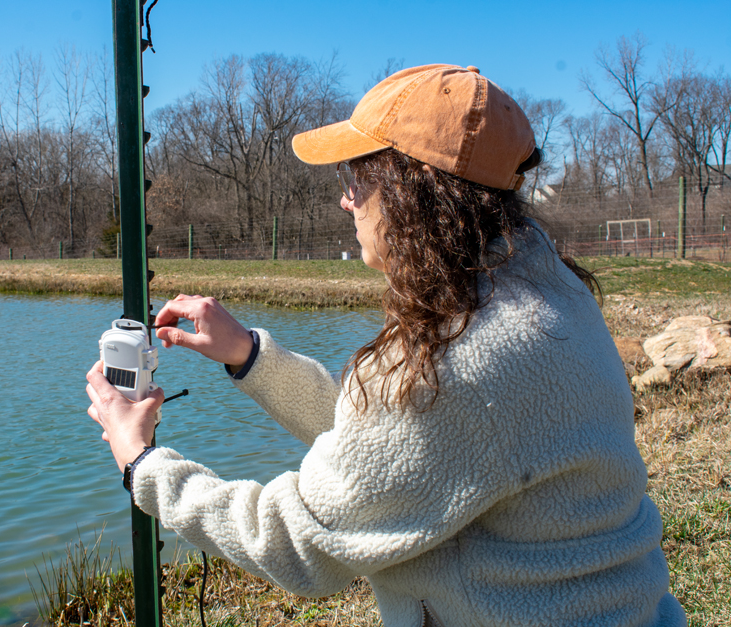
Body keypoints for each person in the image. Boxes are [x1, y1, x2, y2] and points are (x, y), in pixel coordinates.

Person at [85, 64, 686, 626]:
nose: (346, 199)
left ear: (412, 191)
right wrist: (250, 356)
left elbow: (296, 541)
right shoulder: (547, 290)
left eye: (357, 177)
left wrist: (142, 461)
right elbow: (395, 445)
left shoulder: (463, 359)